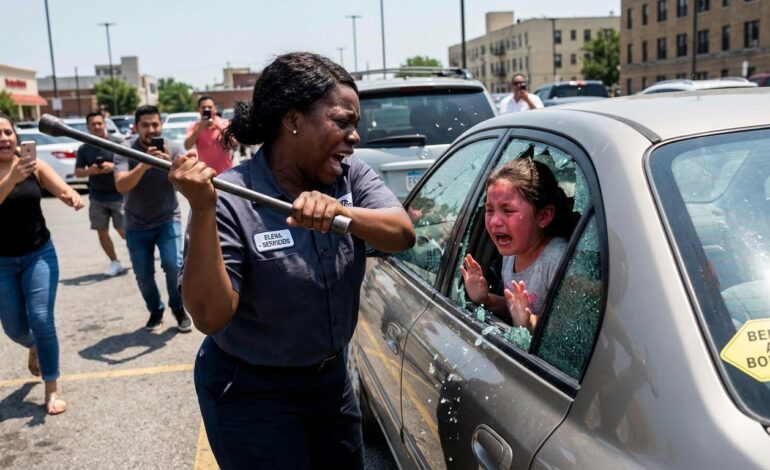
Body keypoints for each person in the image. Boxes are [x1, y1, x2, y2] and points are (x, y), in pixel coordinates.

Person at [168, 52, 415, 469]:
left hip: (330, 383)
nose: (354, 136)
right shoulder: (230, 198)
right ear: (293, 120)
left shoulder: (349, 176)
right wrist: (204, 209)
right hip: (251, 394)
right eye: (342, 122)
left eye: (355, 124)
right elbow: (210, 316)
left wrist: (341, 213)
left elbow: (401, 233)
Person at [0, 113, 84, 415]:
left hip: (38, 254)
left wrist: (71, 196)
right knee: (13, 328)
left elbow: (61, 188)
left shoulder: (33, 165)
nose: (4, 138)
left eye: (7, 132)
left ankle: (52, 387)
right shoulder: (17, 171)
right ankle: (33, 345)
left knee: (41, 318)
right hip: (2, 262)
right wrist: (11, 178)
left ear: (16, 136)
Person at [461, 158, 569, 332]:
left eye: (508, 210)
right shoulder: (510, 255)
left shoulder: (557, 261)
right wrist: (485, 299)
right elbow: (513, 308)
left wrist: (529, 322)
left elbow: (565, 333)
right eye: (490, 210)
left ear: (543, 216)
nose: (494, 221)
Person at [113, 105, 192, 333]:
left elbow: (187, 184)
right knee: (144, 275)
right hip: (136, 224)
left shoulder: (174, 147)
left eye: (155, 124)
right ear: (136, 127)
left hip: (168, 219)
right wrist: (144, 165)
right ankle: (155, 310)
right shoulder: (125, 149)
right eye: (145, 125)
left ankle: (178, 308)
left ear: (161, 125)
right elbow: (121, 186)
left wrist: (171, 166)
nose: (151, 130)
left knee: (174, 265)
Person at [75, 111, 126, 277]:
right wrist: (90, 170)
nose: (96, 126)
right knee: (101, 231)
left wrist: (113, 167)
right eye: (93, 124)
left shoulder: (118, 143)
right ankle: (115, 262)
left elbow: (131, 164)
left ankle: (141, 254)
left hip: (119, 194)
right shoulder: (84, 148)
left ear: (104, 124)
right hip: (97, 196)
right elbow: (78, 173)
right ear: (88, 126)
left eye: (99, 123)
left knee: (123, 230)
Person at [183, 96, 233, 174]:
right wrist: (199, 129)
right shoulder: (194, 126)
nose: (207, 110)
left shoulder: (225, 123)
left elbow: (234, 143)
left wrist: (219, 127)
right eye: (203, 107)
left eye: (210, 107)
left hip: (226, 172)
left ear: (215, 109)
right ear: (198, 110)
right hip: (205, 173)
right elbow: (187, 146)